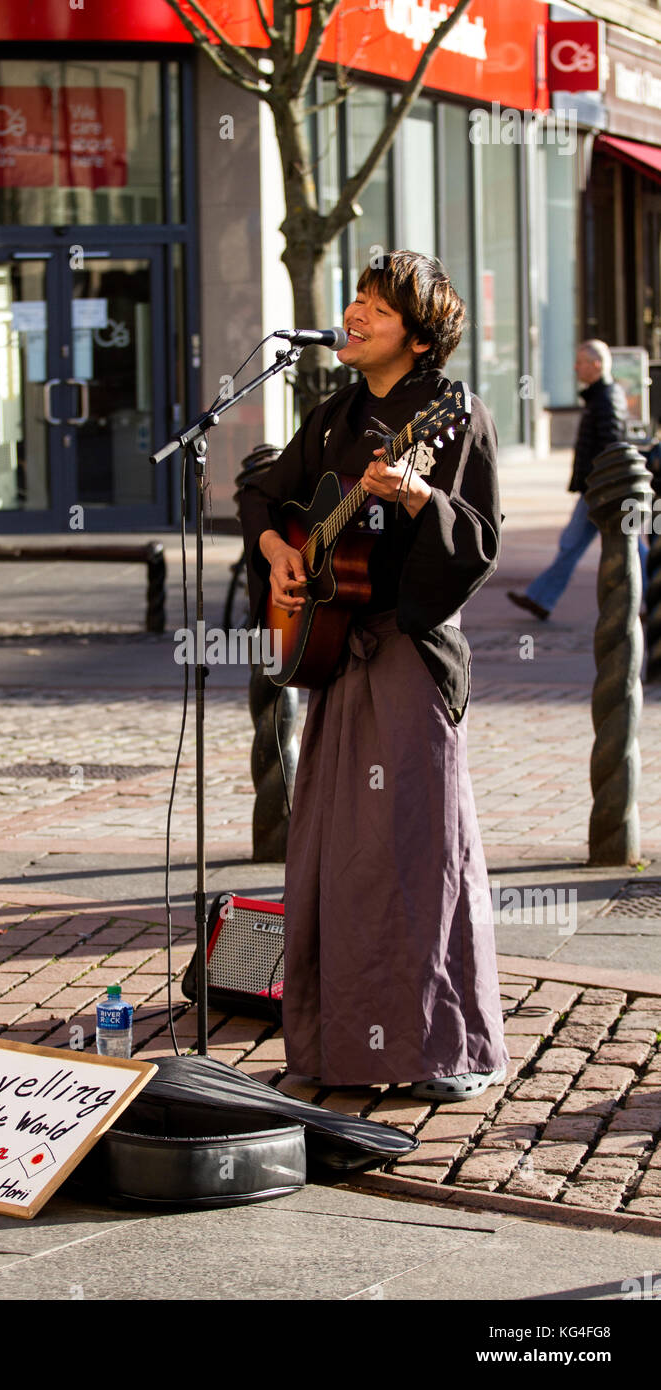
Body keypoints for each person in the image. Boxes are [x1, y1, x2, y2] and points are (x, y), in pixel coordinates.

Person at [239, 250, 509, 1100]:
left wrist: (421, 498)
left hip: (406, 654)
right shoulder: (330, 416)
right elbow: (263, 499)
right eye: (354, 300)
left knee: (417, 850)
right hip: (336, 656)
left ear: (420, 338)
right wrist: (283, 548)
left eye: (376, 307)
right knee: (332, 854)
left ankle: (442, 1050)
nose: (353, 314)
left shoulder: (452, 417)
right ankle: (333, 1050)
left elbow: (479, 537)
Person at [507, 340, 631, 621]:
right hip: (598, 487)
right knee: (576, 544)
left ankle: (541, 598)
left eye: (580, 362)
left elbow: (611, 445)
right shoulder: (600, 397)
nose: (575, 368)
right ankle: (541, 599)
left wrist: (601, 482)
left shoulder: (606, 399)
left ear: (596, 365)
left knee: (627, 546)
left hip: (600, 489)